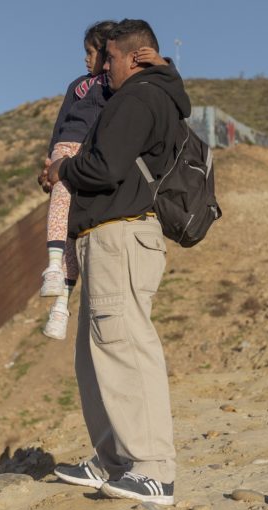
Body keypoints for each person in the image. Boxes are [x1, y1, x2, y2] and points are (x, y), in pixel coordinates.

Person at [43, 19, 190, 505]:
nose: (102, 67)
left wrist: (63, 168)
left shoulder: (138, 98)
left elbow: (105, 166)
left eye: (109, 58)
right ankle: (112, 458)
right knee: (97, 354)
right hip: (105, 237)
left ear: (135, 57)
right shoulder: (148, 92)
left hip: (120, 235)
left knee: (126, 347)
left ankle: (153, 469)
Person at [38, 21, 167, 340]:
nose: (88, 59)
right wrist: (51, 162)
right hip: (67, 155)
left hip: (92, 166)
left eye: (92, 53)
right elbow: (60, 125)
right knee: (64, 220)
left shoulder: (120, 90)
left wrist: (162, 65)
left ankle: (60, 285)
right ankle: (60, 297)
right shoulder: (78, 87)